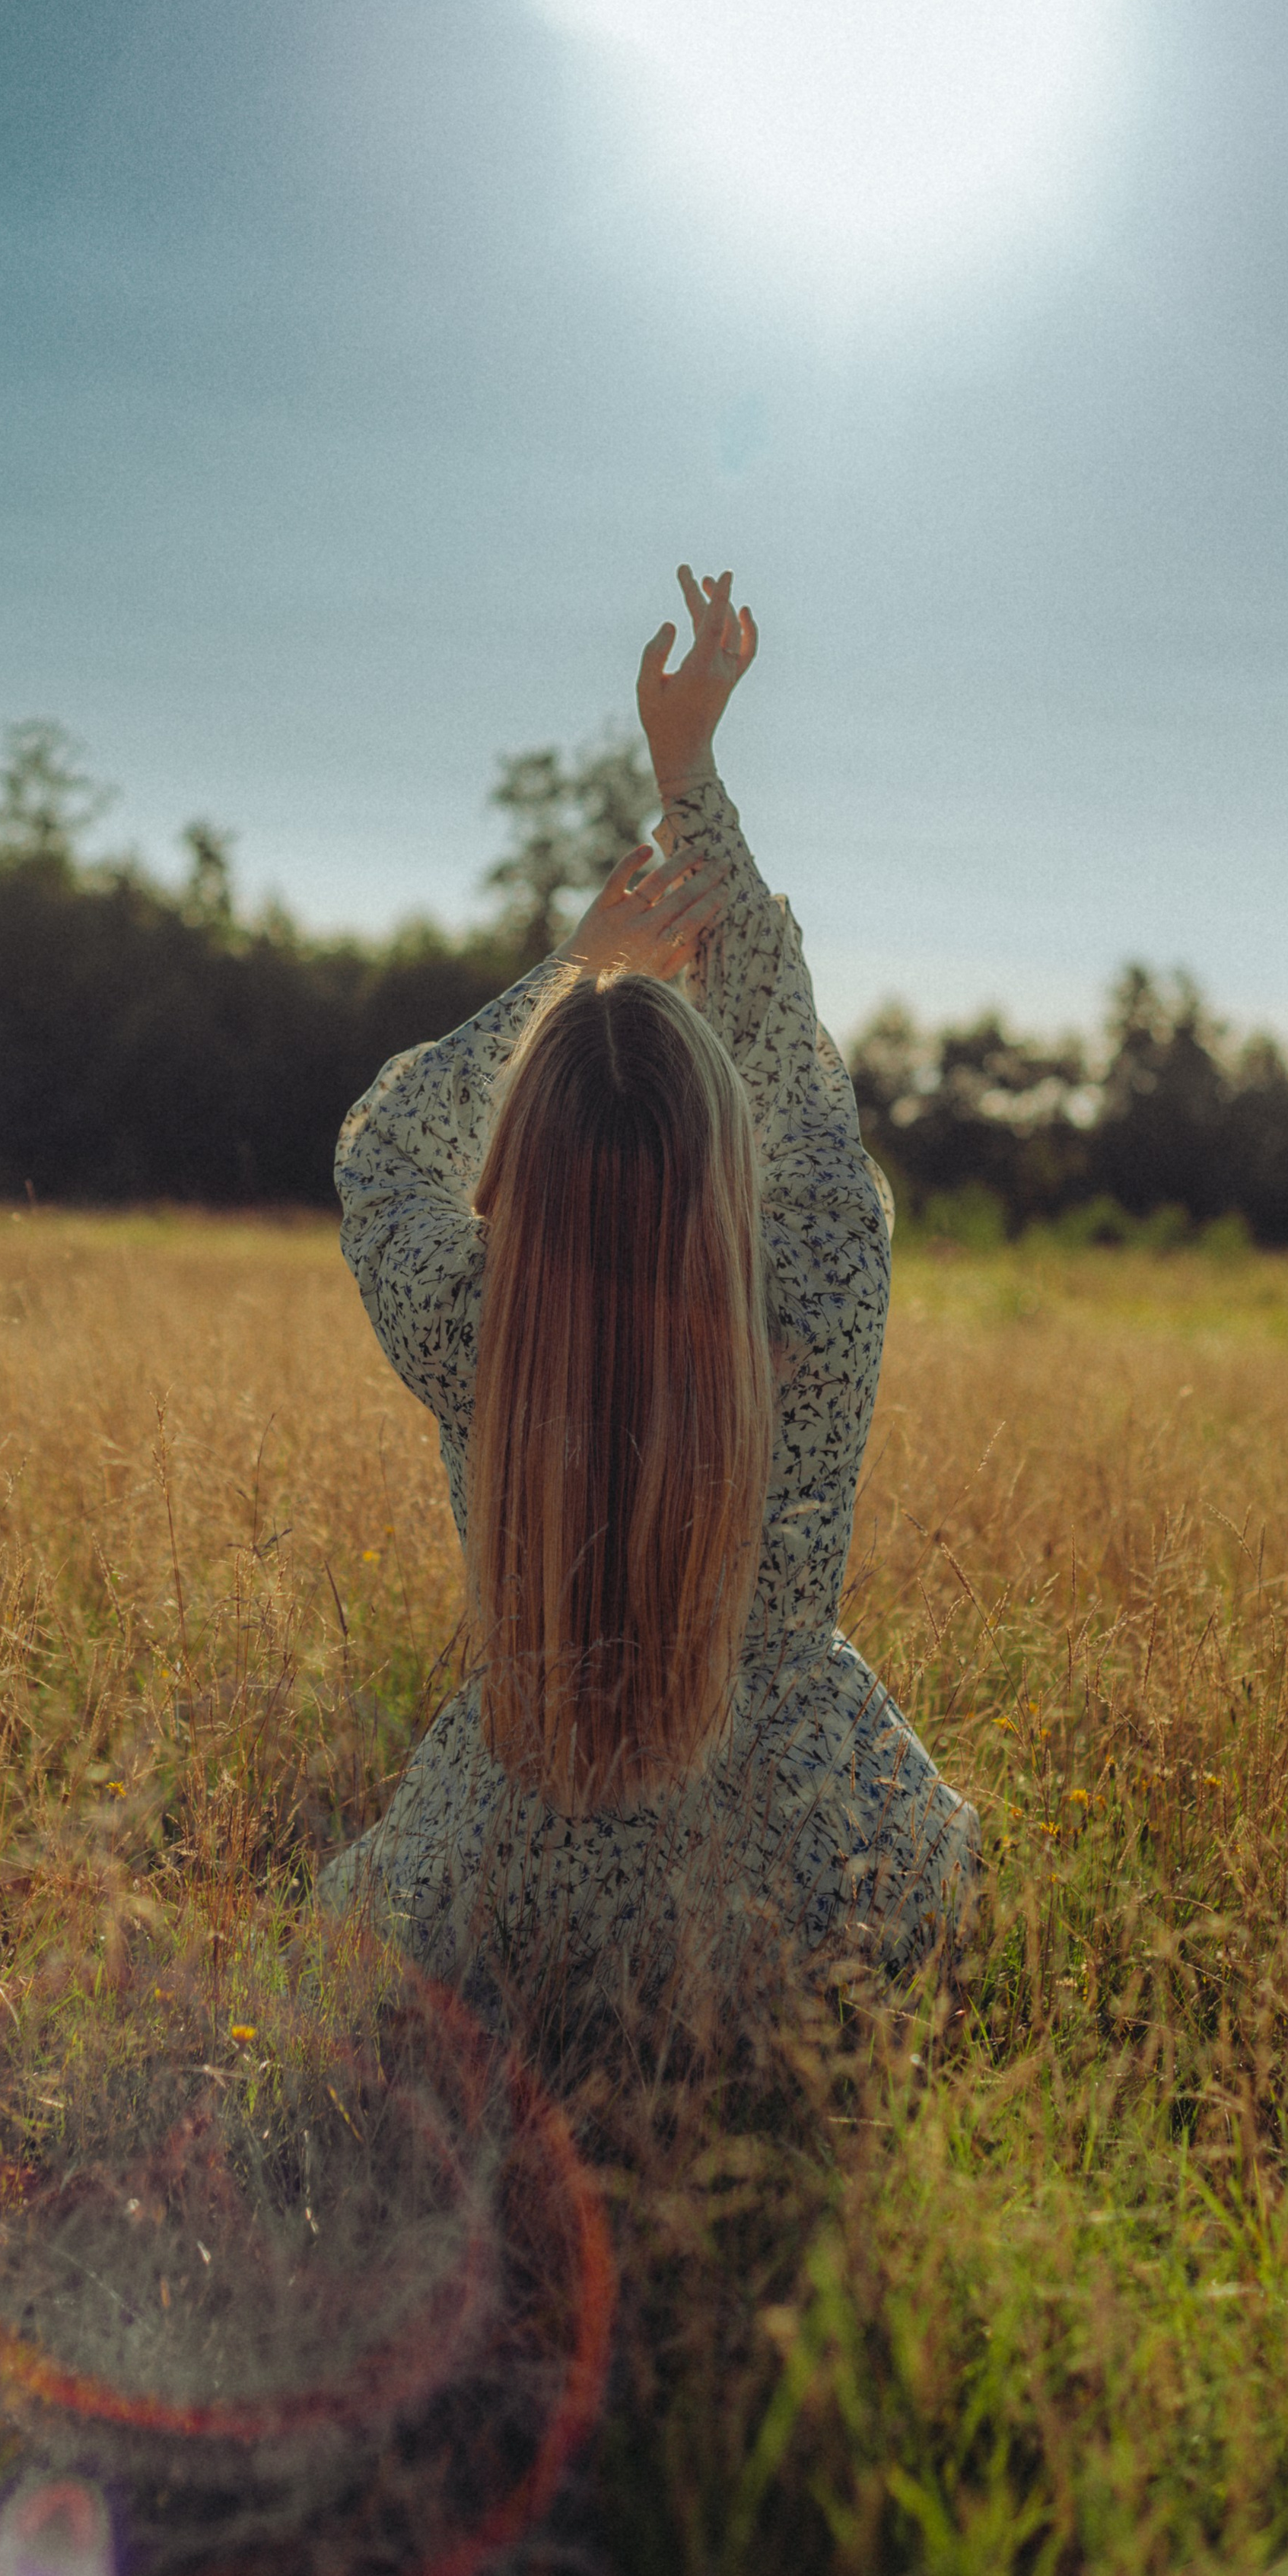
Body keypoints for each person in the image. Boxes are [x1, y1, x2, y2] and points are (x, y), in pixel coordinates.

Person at [319, 568, 978, 2015]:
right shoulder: (817, 1288)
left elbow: (387, 1155)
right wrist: (690, 774)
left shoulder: (477, 1331)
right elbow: (792, 1057)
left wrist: (577, 971)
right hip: (799, 1880)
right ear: (727, 1152)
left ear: (523, 1173)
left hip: (517, 1878)